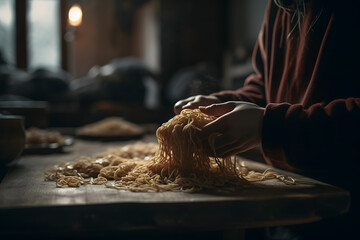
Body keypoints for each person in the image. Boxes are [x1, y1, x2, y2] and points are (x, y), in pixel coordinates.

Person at [174, 0, 360, 239]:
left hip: (345, 207)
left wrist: (269, 125)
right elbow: (264, 87)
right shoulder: (279, 5)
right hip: (286, 191)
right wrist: (217, 105)